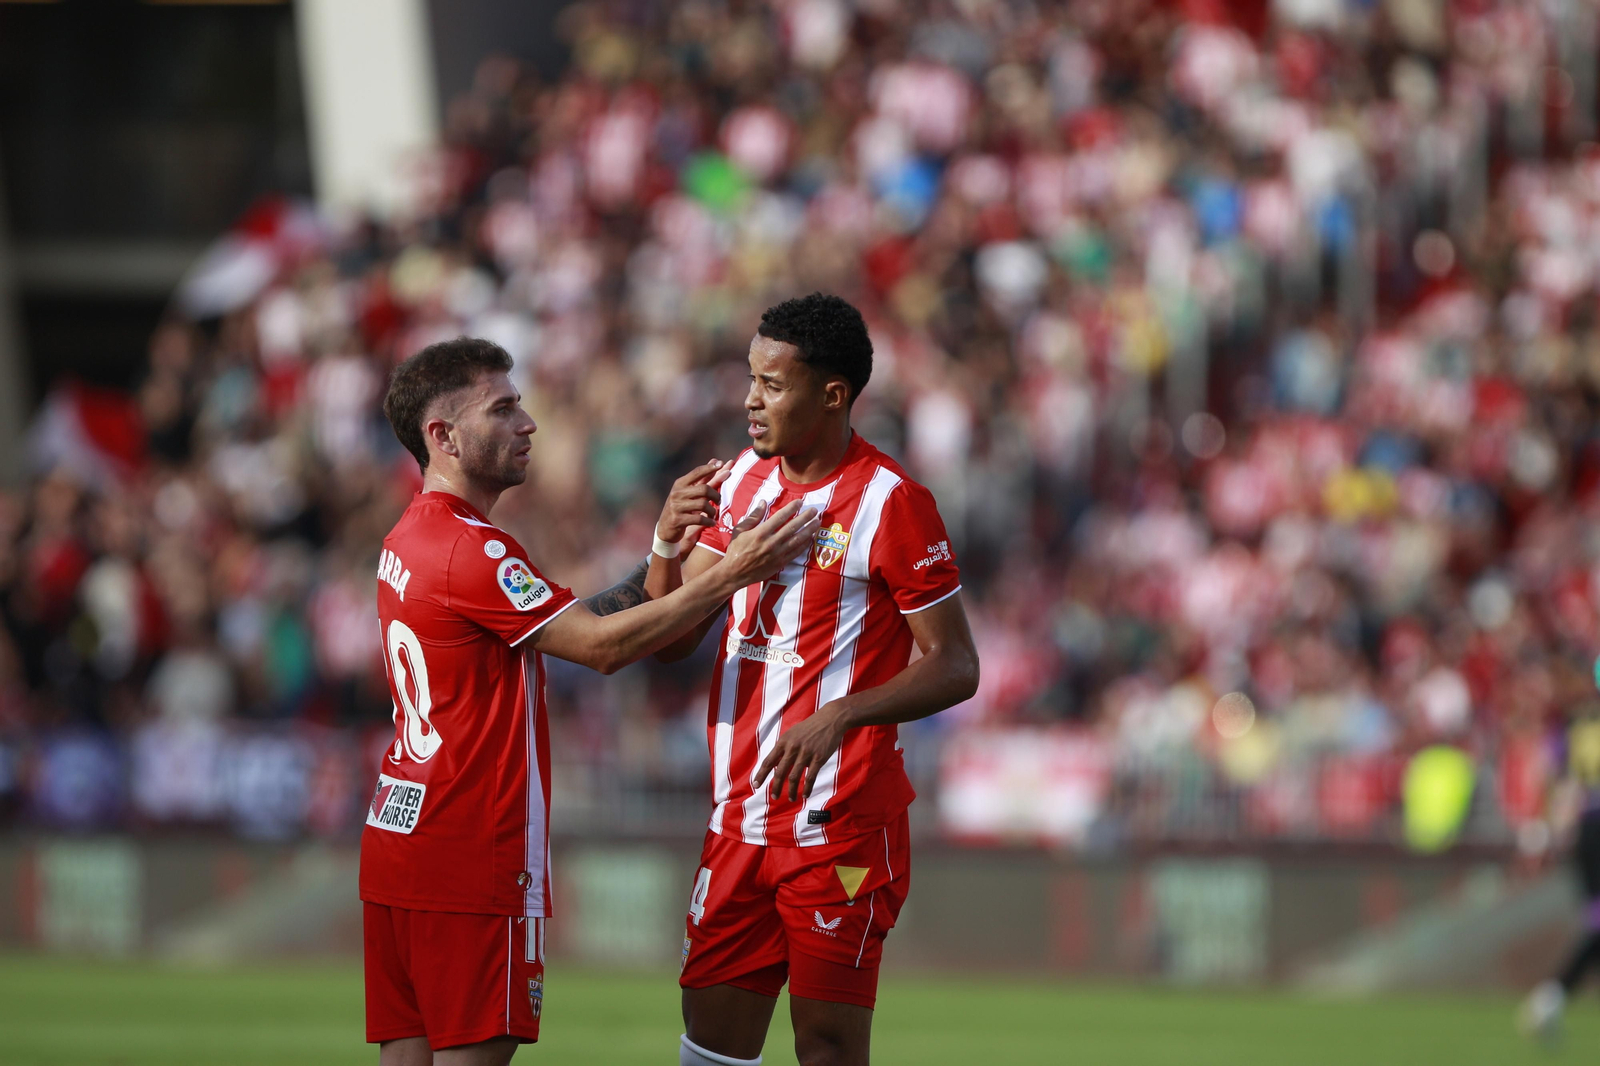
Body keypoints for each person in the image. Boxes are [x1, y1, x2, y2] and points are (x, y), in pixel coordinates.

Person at [362, 336, 821, 1066]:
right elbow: (603, 649)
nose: (528, 423)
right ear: (441, 437)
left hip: (400, 842)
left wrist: (665, 548)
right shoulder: (472, 550)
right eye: (503, 408)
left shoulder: (414, 538)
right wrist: (731, 574)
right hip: (470, 856)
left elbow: (582, 619)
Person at [647, 294, 981, 1066]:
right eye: (749, 379)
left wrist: (843, 715)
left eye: (771, 383)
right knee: (711, 1046)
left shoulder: (892, 502)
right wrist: (667, 539)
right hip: (738, 821)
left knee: (827, 1046)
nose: (749, 400)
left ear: (831, 395)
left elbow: (957, 664)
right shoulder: (737, 486)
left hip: (840, 828)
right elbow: (672, 639)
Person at [1521, 699, 1600, 1044]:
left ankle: (1551, 998)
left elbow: (1552, 780)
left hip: (1584, 830)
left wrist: (1544, 834)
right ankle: (1551, 997)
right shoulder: (1576, 727)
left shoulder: (1574, 725)